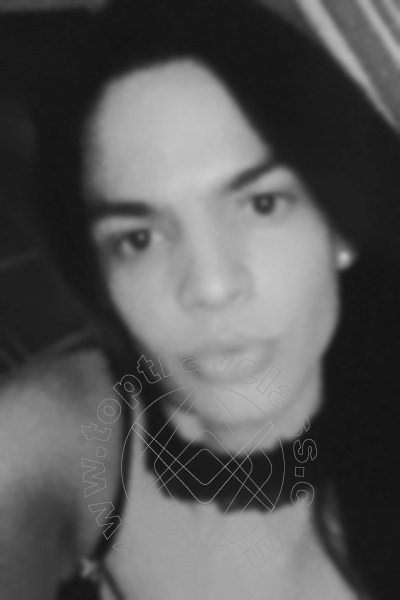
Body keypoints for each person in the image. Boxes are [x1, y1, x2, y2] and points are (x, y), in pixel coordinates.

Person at [10, 0, 400, 598]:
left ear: (340, 226)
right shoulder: (69, 430)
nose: (211, 288)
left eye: (262, 205)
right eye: (139, 239)